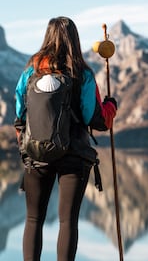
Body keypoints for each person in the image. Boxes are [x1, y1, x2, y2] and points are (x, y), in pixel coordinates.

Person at [14, 16, 118, 261]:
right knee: (68, 221)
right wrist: (111, 106)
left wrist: (25, 146)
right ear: (75, 39)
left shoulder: (31, 71)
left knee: (33, 219)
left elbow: (19, 113)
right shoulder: (82, 73)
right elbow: (97, 119)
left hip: (36, 156)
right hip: (74, 155)